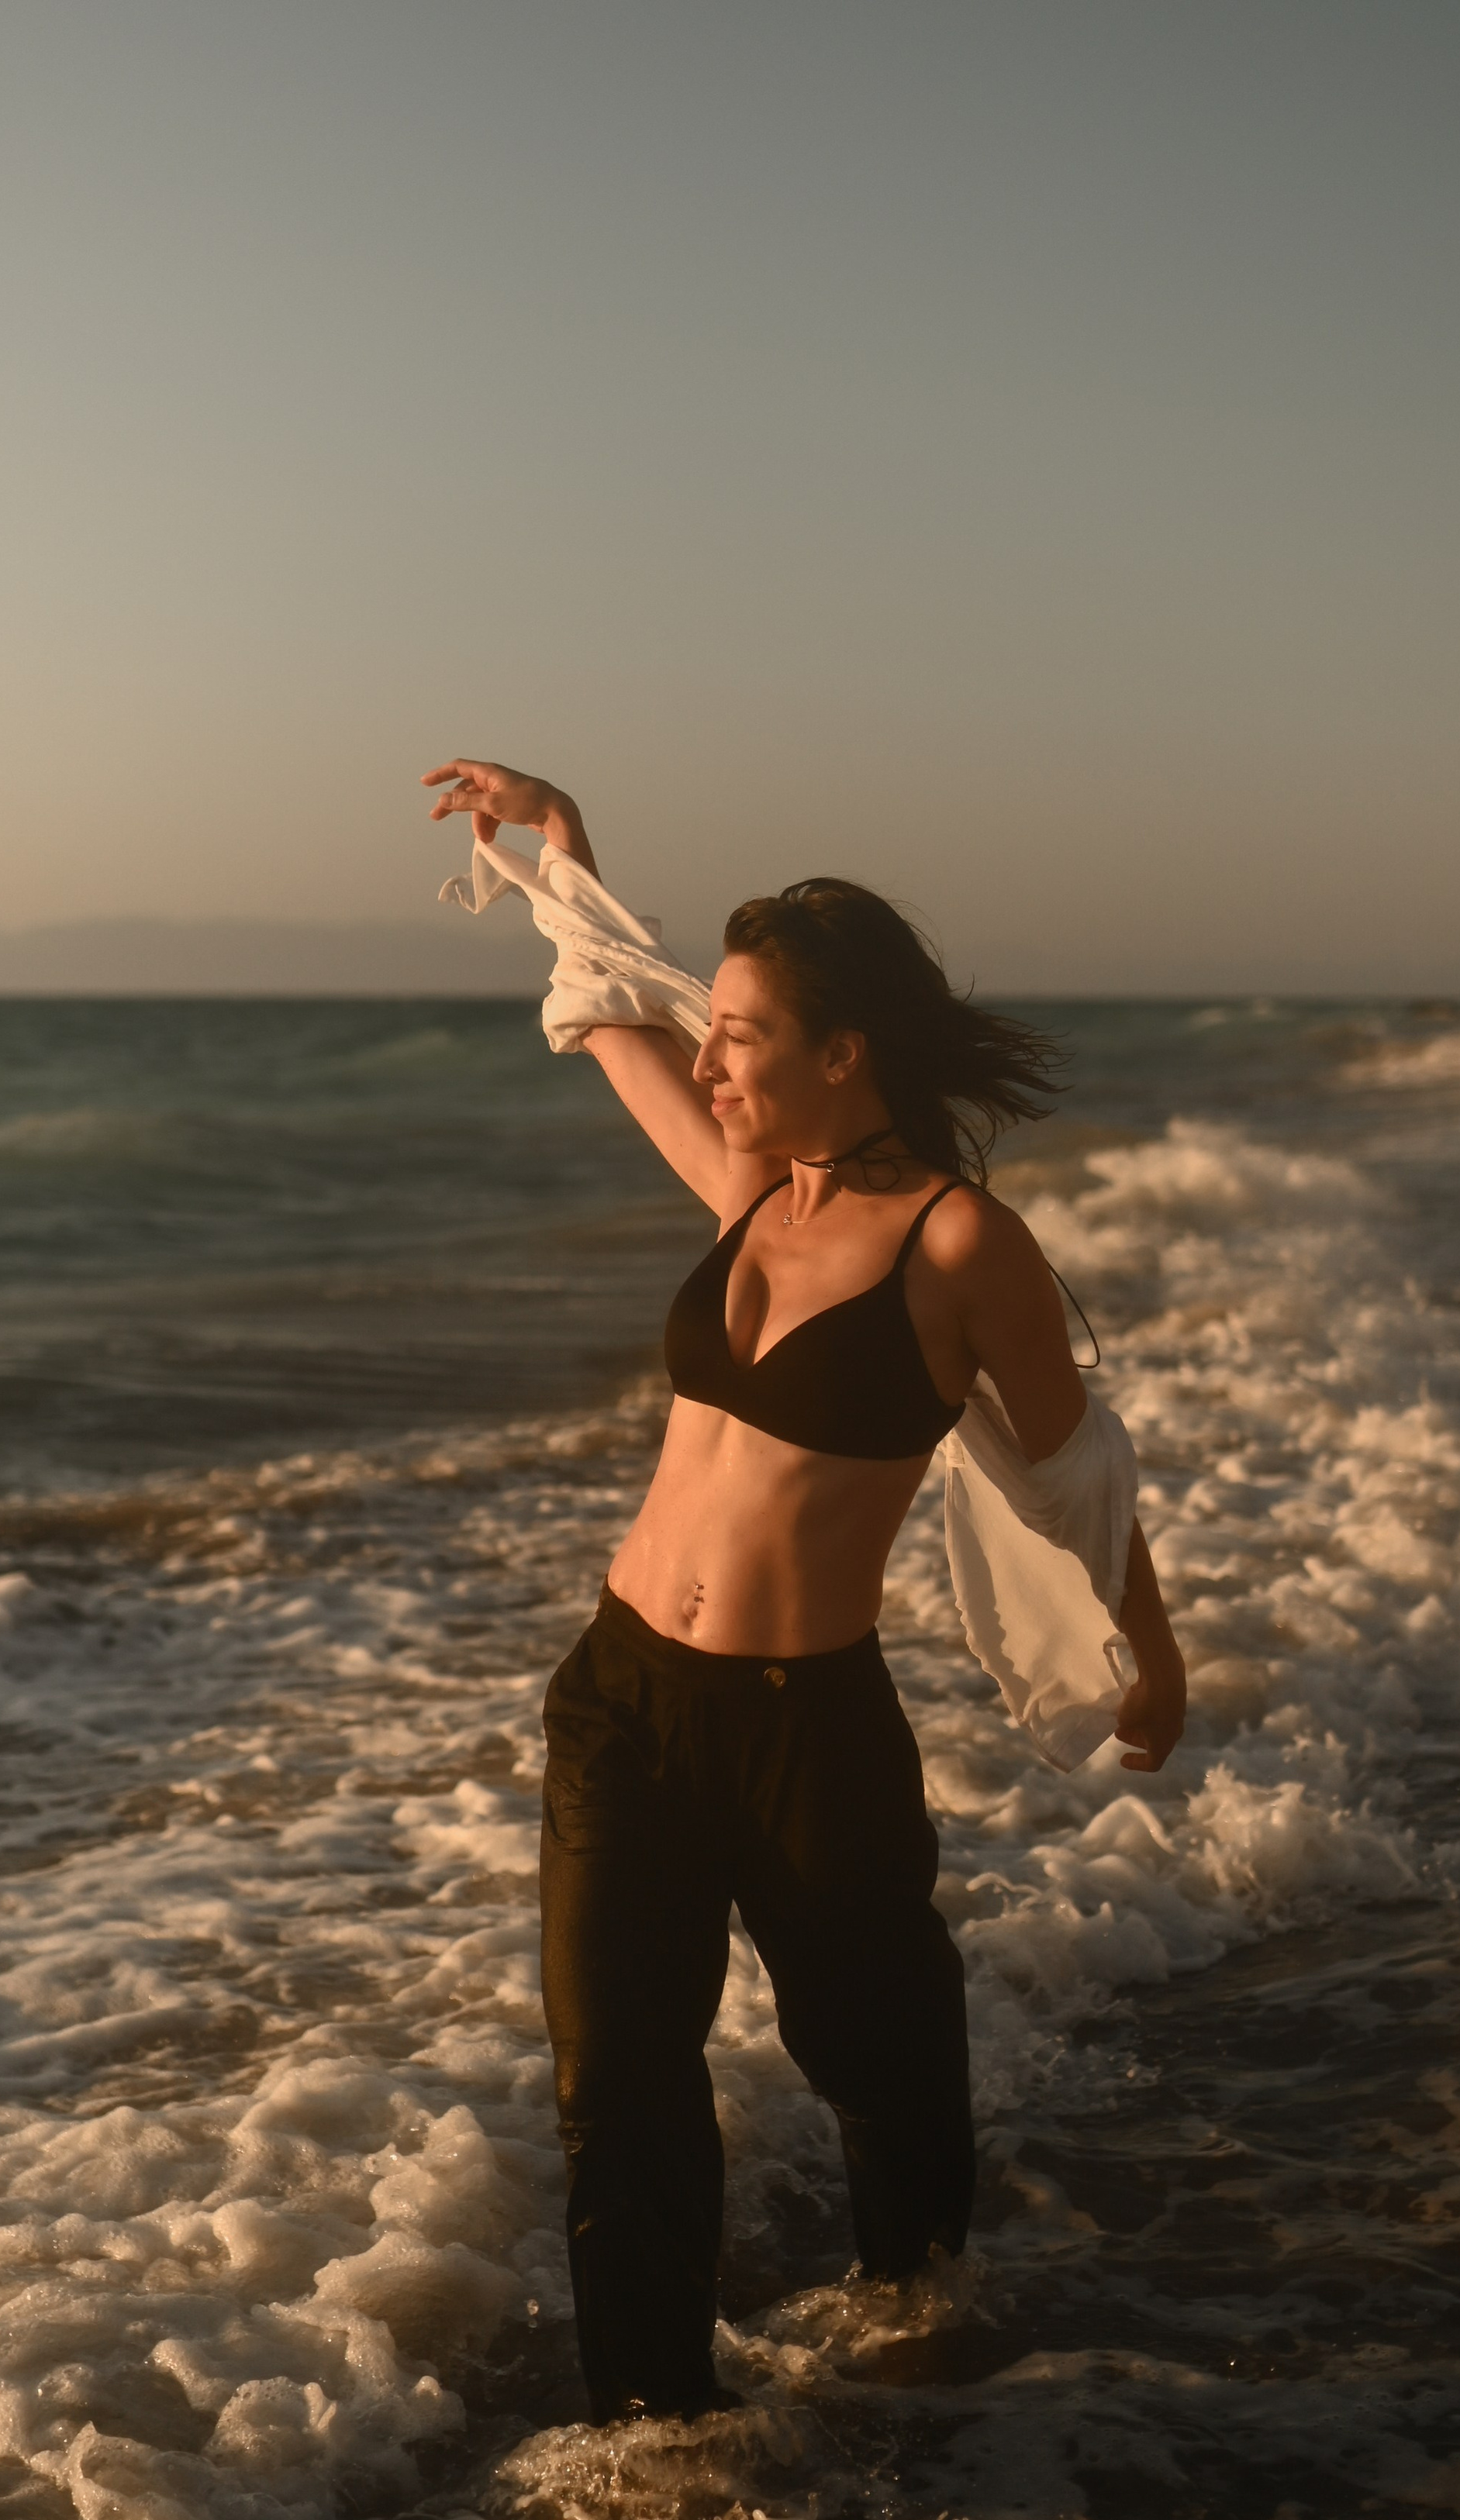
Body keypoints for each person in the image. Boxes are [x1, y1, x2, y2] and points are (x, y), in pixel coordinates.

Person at [424, 757, 1186, 2427]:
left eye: (746, 1038)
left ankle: (917, 2310)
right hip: (621, 1695)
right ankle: (653, 2428)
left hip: (804, 1726)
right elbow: (612, 1004)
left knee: (874, 2055)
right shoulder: (748, 1187)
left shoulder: (959, 1248)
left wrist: (1154, 1653)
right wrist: (565, 852)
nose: (712, 1059)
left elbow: (1071, 1467)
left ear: (844, 1054)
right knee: (612, 2082)